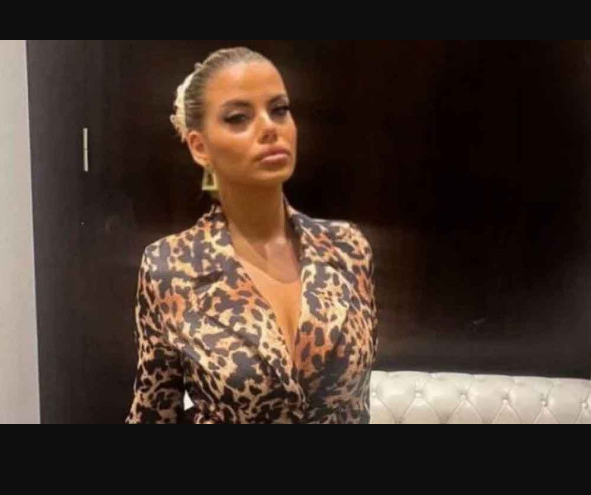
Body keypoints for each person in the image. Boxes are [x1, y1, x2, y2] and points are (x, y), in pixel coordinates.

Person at [125, 46, 378, 424]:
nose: (269, 128)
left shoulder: (348, 248)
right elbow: (153, 412)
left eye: (279, 109)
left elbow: (357, 407)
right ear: (199, 147)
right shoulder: (170, 267)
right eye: (238, 117)